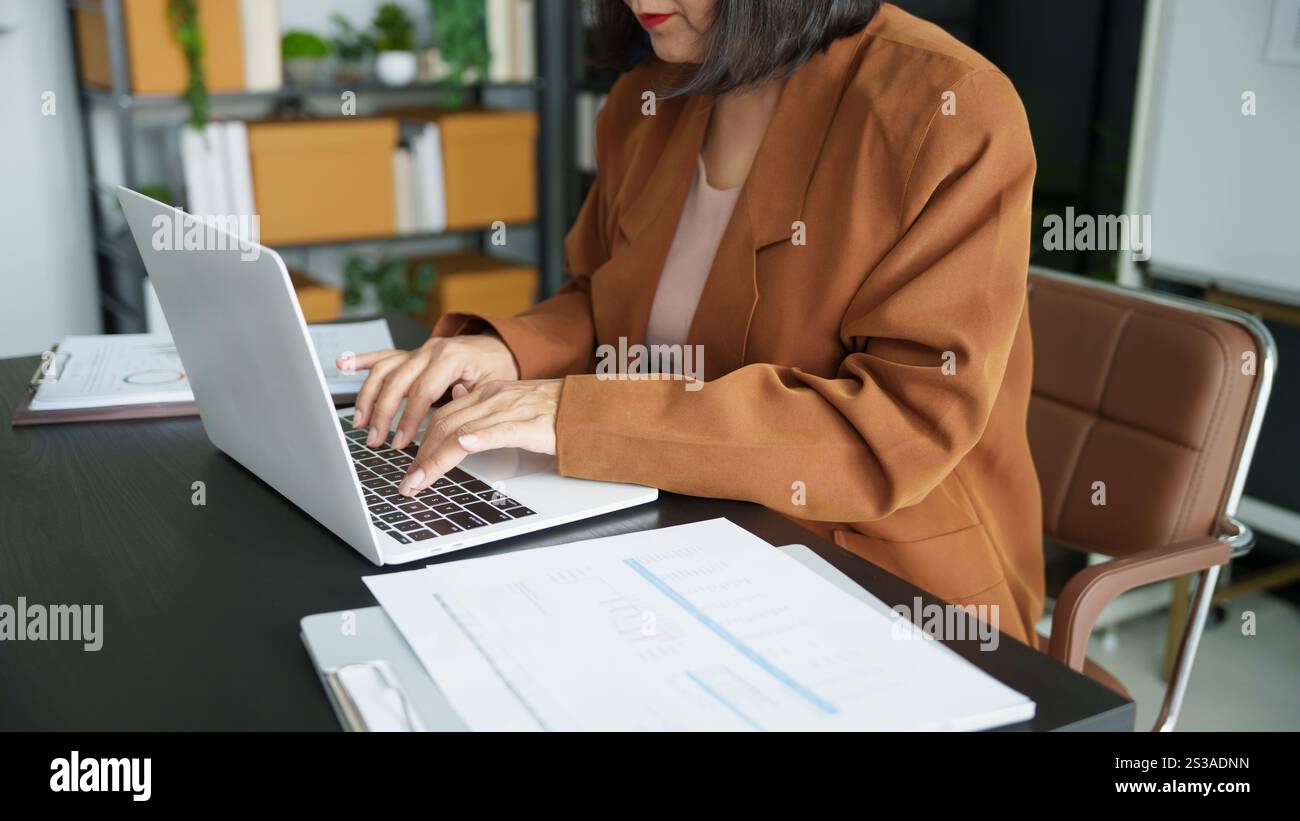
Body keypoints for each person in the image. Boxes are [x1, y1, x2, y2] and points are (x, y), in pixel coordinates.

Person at [342, 1, 1045, 644]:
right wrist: (507, 352)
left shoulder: (949, 108)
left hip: (881, 581)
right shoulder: (647, 95)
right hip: (677, 534)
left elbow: (896, 429)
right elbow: (602, 298)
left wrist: (579, 416)